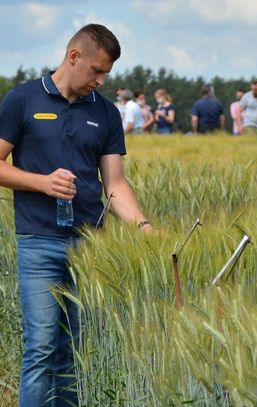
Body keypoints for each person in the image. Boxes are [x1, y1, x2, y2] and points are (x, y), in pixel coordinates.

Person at [0, 23, 152, 407]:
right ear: (74, 57)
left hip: (89, 247)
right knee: (41, 349)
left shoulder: (106, 113)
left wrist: (145, 226)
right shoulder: (22, 99)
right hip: (39, 243)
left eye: (106, 74)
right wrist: (42, 183)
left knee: (74, 353)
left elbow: (115, 185)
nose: (101, 80)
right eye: (97, 71)